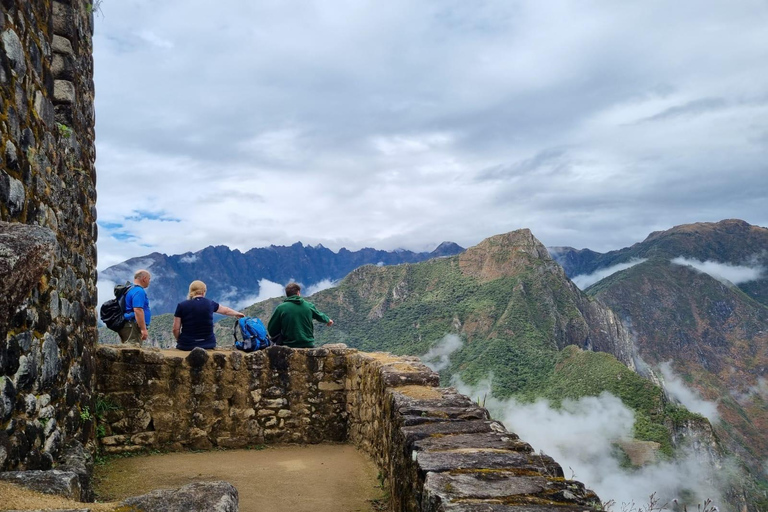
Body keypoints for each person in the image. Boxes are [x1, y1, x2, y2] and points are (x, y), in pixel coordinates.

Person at [173, 280, 245, 351]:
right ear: (204, 291)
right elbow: (226, 311)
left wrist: (181, 341)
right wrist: (237, 313)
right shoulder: (210, 304)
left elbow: (175, 329)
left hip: (187, 345)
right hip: (208, 344)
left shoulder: (181, 306)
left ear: (191, 291)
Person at [267, 282, 333, 348]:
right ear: (298, 292)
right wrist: (328, 320)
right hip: (308, 344)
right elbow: (320, 316)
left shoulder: (281, 308)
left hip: (288, 345)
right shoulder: (309, 306)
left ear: (287, 294)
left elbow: (271, 329)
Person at [118, 269, 152, 347]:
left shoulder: (130, 289)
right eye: (149, 279)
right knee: (133, 349)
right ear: (144, 278)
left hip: (128, 324)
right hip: (133, 326)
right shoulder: (139, 291)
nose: (149, 281)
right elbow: (138, 310)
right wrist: (143, 329)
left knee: (128, 348)